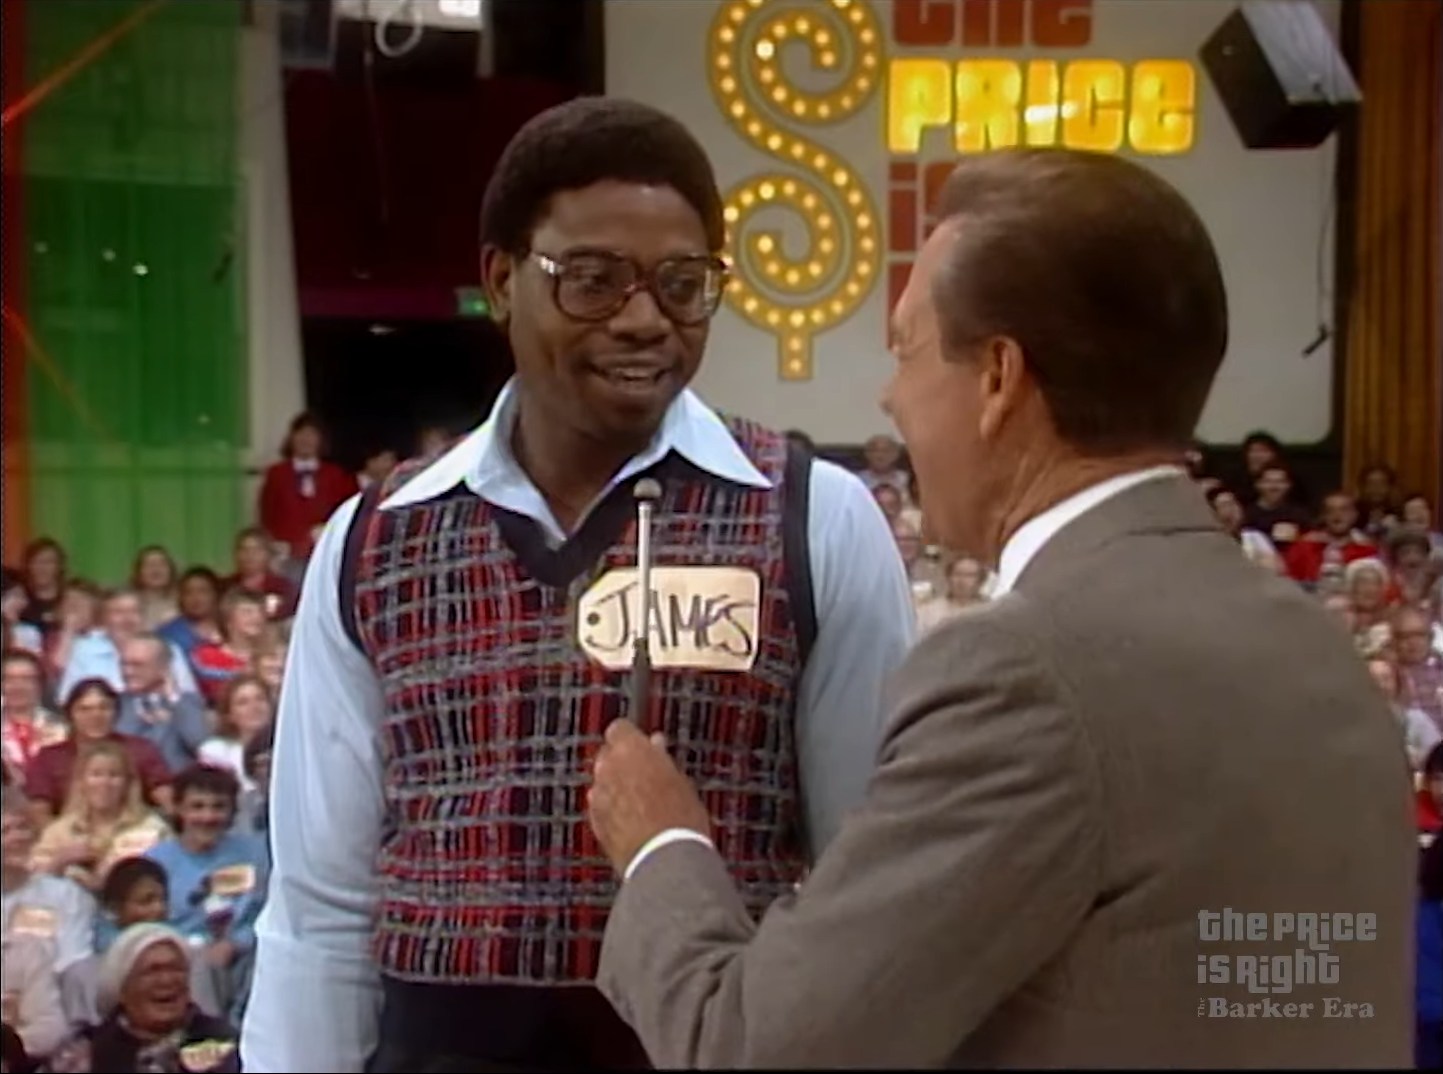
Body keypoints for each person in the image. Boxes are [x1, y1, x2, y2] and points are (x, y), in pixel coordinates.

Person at [584, 148, 1415, 1067]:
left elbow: (752, 1046)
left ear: (998, 378)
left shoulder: (1023, 675)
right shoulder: (1319, 648)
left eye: (904, 348)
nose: (887, 394)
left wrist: (660, 841)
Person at [242, 97, 915, 1073]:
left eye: (683, 284)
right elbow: (320, 912)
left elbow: (865, 888)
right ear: (502, 279)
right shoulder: (372, 539)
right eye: (593, 280)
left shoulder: (816, 518)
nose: (645, 320)